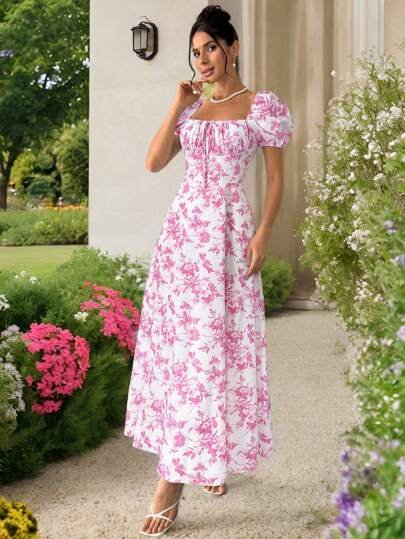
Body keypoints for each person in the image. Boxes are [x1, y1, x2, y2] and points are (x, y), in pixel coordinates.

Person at [124, 4, 294, 536]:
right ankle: (183, 470)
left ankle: (186, 474)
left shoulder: (262, 106)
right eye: (196, 53)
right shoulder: (192, 108)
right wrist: (177, 103)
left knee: (218, 348)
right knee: (185, 352)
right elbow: (154, 162)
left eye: (211, 48)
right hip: (182, 239)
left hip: (228, 236)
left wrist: (263, 232)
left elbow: (275, 179)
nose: (203, 60)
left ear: (232, 48)